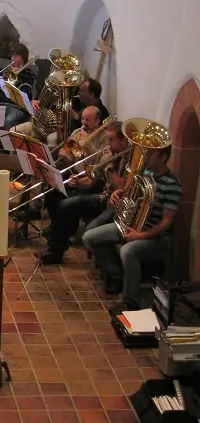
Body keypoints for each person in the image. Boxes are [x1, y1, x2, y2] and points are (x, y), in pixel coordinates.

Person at [82, 144, 181, 310]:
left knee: (128, 251)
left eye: (151, 154)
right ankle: (116, 275)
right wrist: (117, 194)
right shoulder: (145, 174)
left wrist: (140, 235)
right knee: (89, 238)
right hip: (132, 225)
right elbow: (128, 191)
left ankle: (131, 303)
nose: (146, 157)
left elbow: (166, 222)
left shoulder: (172, 185)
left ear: (163, 157)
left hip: (156, 237)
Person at [40, 121, 128, 264]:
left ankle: (56, 249)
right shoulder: (113, 153)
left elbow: (121, 187)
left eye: (111, 140)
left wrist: (109, 163)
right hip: (102, 195)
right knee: (64, 203)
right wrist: (78, 182)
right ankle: (55, 248)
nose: (108, 143)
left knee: (71, 208)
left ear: (123, 140)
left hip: (113, 203)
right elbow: (93, 178)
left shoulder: (128, 158)